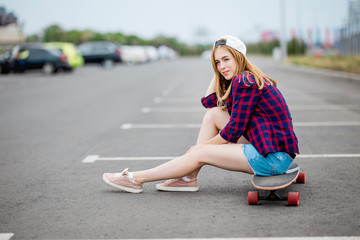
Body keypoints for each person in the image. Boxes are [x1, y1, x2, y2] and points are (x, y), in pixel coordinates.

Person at [102, 35, 299, 193]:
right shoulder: (244, 78)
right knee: (213, 115)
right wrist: (218, 71)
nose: (222, 66)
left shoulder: (244, 81)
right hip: (272, 151)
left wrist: (200, 149)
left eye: (226, 59)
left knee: (200, 151)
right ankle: (188, 178)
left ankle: (136, 179)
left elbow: (234, 130)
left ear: (239, 57)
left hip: (272, 159)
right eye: (217, 62)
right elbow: (209, 103)